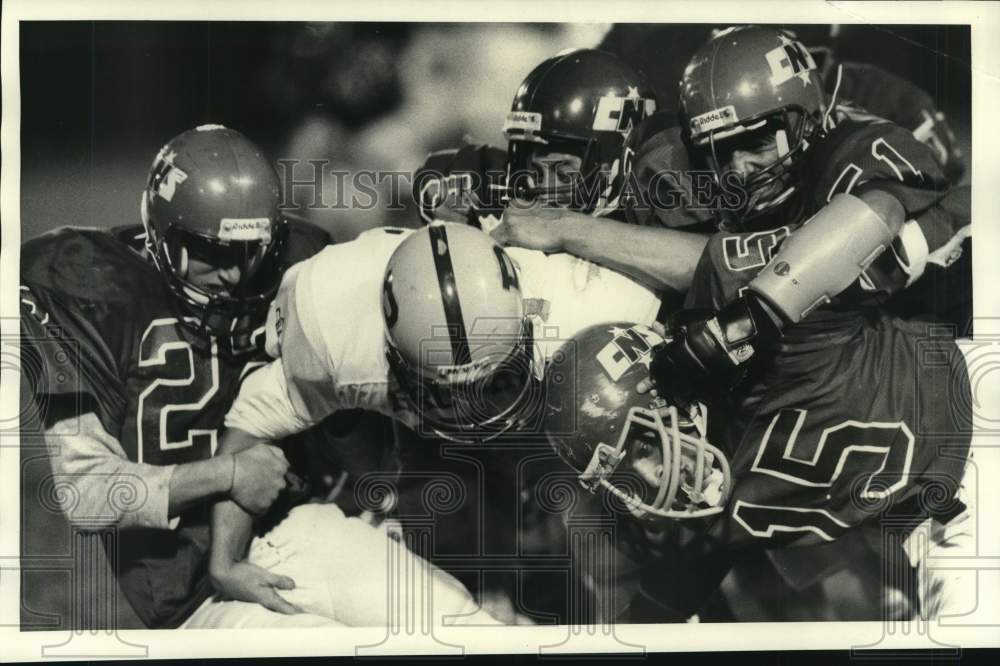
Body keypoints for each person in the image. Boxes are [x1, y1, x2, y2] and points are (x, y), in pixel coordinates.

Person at [204, 221, 663, 624]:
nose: (472, 406)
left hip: (531, 390)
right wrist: (223, 561)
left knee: (585, 459)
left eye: (493, 381)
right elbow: (250, 426)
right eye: (449, 390)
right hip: (397, 421)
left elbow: (718, 268)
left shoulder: (583, 305)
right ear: (394, 357)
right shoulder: (340, 341)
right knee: (389, 479)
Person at [19, 125, 333, 628]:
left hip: (310, 524)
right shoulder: (89, 287)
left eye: (251, 250)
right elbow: (85, 492)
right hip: (193, 590)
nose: (236, 274)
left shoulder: (296, 259)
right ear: (164, 237)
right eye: (215, 251)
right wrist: (227, 473)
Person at [542, 319, 970, 621]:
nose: (653, 477)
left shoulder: (768, 349)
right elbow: (665, 601)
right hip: (934, 515)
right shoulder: (715, 502)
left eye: (643, 445)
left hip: (972, 422)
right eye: (624, 476)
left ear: (669, 394)